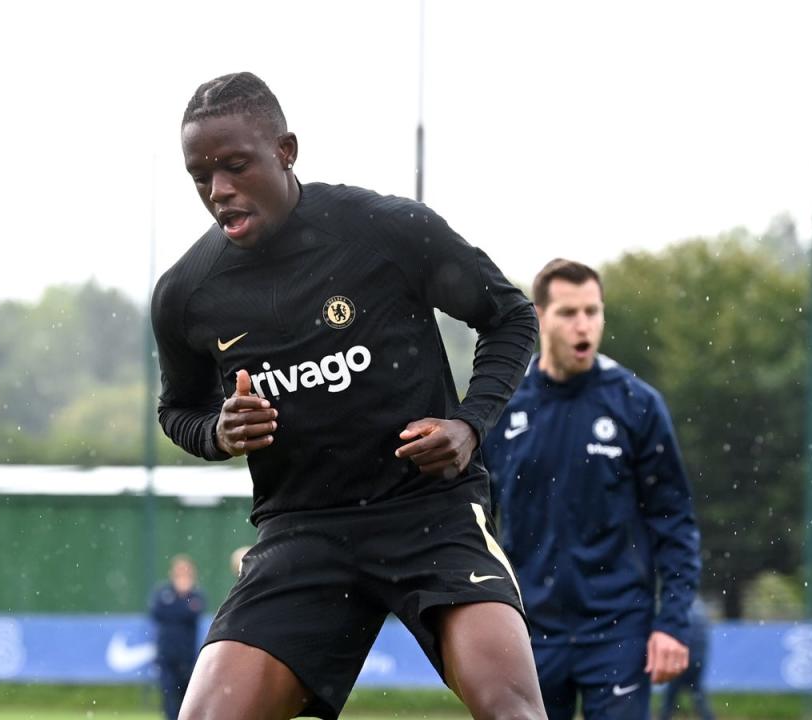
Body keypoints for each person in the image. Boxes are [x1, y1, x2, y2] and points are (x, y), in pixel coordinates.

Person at [151, 72, 546, 720]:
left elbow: (510, 316)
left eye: (235, 165)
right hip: (301, 531)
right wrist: (217, 432)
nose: (218, 191)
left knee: (514, 712)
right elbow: (177, 411)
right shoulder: (187, 293)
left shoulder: (385, 230)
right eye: (200, 176)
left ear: (286, 150)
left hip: (430, 512)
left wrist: (470, 426)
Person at [481, 259, 701, 720]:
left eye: (592, 311)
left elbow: (674, 521)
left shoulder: (636, 405)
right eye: (568, 313)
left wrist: (673, 623)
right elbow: (476, 522)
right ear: (539, 316)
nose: (583, 325)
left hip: (618, 630)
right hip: (531, 632)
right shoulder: (505, 409)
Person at [149, 555, 206, 720]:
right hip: (166, 655)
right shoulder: (163, 592)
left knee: (187, 698)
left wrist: (181, 600)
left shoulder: (196, 594)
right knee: (168, 697)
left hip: (187, 656)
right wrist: (180, 606)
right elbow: (157, 613)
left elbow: (191, 614)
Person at [659, 597, 715, 720]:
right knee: (697, 693)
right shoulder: (701, 609)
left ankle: (664, 716)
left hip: (682, 659)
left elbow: (678, 635)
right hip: (698, 660)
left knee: (670, 695)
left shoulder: (681, 608)